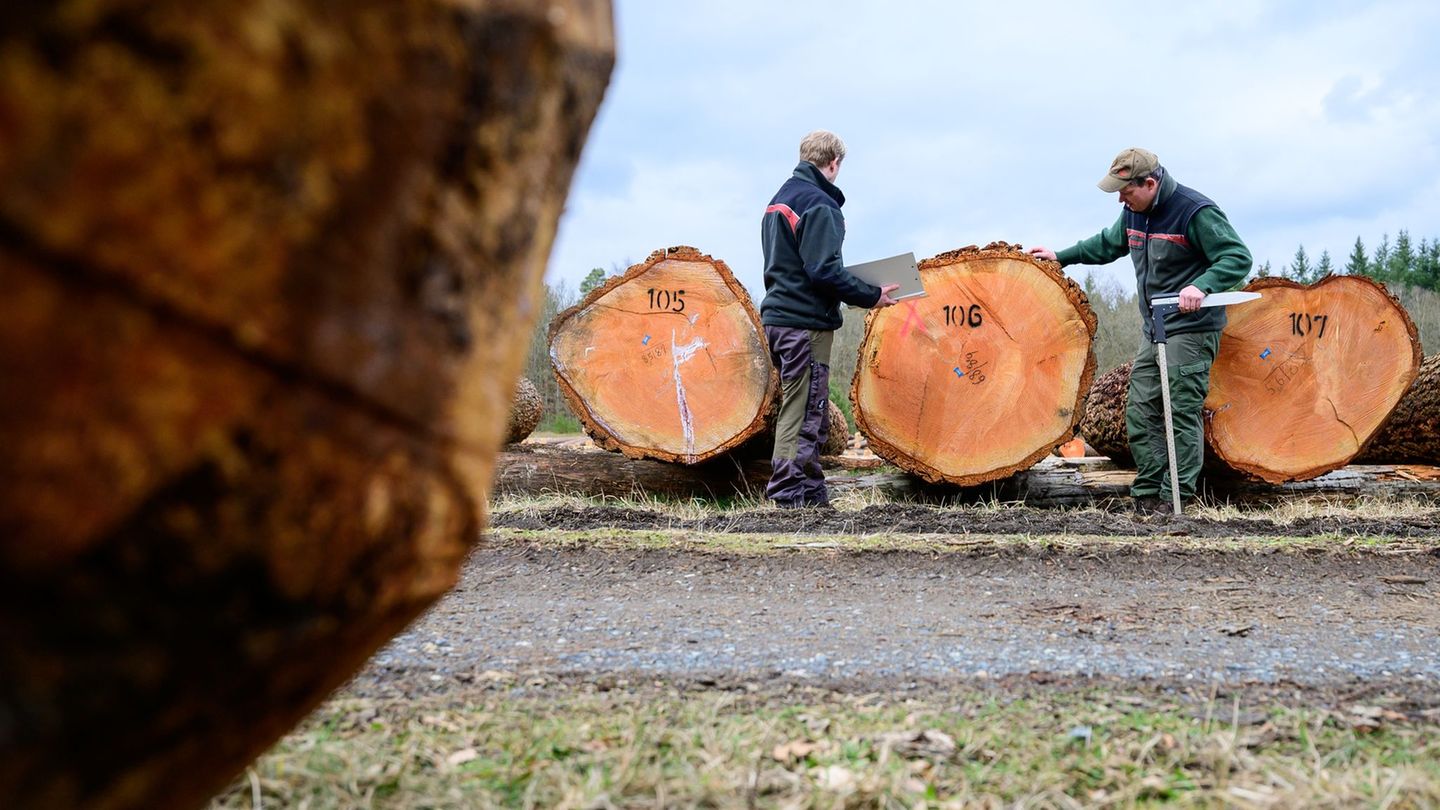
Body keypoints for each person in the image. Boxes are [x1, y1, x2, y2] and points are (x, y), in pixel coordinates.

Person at [1029, 148, 1251, 514]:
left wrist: (1203, 285)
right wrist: (1062, 255)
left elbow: (1237, 256)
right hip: (1156, 327)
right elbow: (1107, 243)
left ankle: (1177, 498)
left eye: (1125, 190)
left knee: (1180, 408)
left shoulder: (1195, 212)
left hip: (1191, 329)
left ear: (1150, 183)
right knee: (1141, 409)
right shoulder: (1135, 212)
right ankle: (1147, 493)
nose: (1120, 198)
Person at [759, 130, 898, 509]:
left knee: (811, 412)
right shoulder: (820, 205)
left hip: (777, 318)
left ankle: (813, 493)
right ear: (833, 163)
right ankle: (788, 496)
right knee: (803, 410)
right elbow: (823, 271)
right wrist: (873, 295)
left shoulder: (778, 200)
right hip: (805, 324)